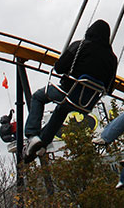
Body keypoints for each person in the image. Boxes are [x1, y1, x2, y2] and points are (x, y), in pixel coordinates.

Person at [24, 19, 117, 161]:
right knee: (61, 111)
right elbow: (109, 88)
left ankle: (32, 135)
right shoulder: (112, 59)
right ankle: (42, 144)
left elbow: (59, 68)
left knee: (38, 97)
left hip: (68, 92)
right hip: (87, 103)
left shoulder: (80, 46)